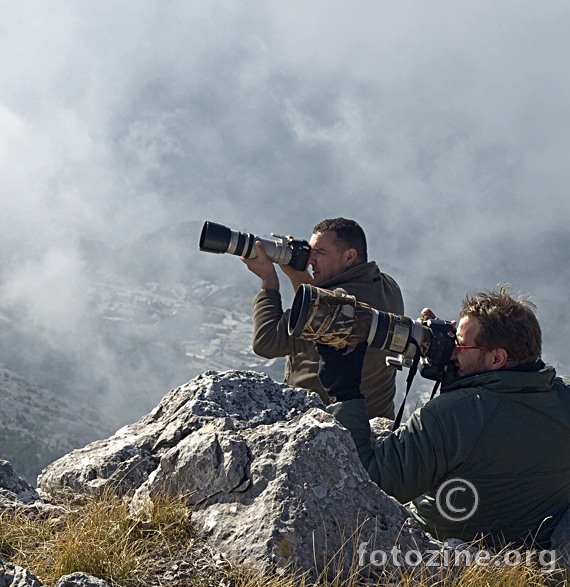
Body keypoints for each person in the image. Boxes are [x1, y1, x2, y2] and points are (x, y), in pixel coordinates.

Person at [318, 284, 570, 548]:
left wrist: (343, 391)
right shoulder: (563, 396)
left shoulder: (447, 417)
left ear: (497, 358)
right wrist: (462, 375)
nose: (452, 349)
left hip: (444, 552)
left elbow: (365, 484)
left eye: (460, 344)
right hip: (531, 550)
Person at [243, 217, 404, 419]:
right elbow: (315, 310)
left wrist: (269, 280)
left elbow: (266, 342)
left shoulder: (337, 307)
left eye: (319, 253)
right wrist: (298, 277)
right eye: (310, 253)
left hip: (328, 425)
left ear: (349, 257)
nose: (311, 261)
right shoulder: (387, 286)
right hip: (372, 421)